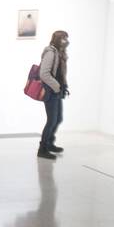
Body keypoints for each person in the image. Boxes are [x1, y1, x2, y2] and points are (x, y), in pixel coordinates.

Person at [38, 30, 70, 160]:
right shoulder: (51, 53)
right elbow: (43, 74)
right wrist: (57, 87)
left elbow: (60, 73)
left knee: (58, 119)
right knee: (51, 121)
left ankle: (50, 143)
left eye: (66, 38)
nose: (66, 41)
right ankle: (42, 149)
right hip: (51, 91)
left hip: (58, 91)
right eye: (64, 39)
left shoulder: (60, 53)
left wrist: (63, 87)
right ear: (57, 39)